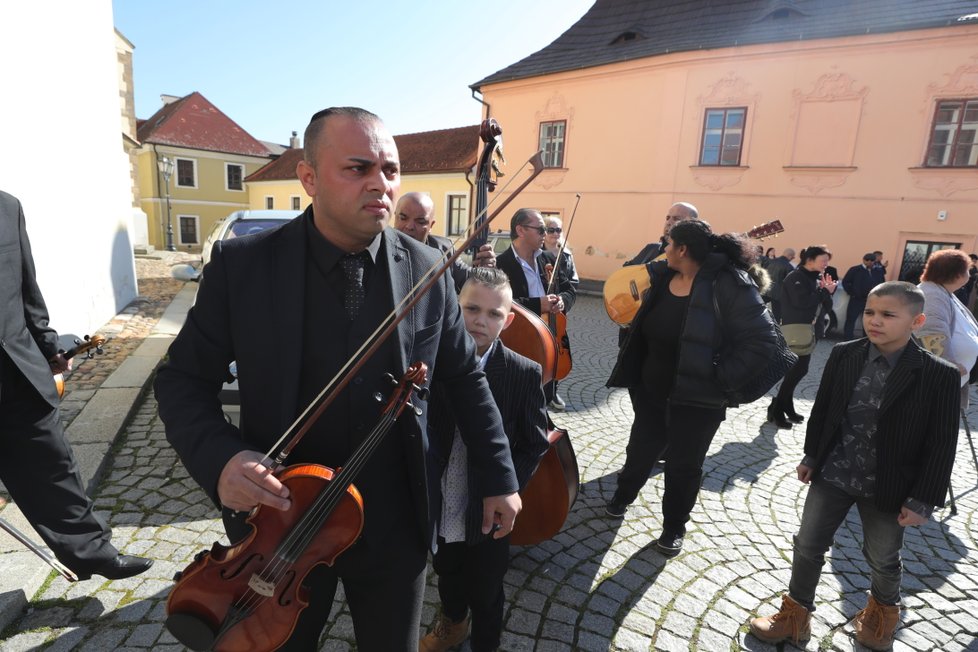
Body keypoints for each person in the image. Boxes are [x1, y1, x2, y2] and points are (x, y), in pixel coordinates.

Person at [153, 107, 521, 651]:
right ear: (308, 179)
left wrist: (500, 476)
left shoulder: (429, 268)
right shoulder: (243, 266)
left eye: (390, 170)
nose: (381, 183)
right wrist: (220, 459)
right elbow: (182, 380)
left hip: (396, 520)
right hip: (280, 523)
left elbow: (465, 377)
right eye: (358, 168)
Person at [749, 281, 959, 650]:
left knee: (882, 556)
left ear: (917, 321)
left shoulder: (937, 374)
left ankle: (881, 617)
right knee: (808, 544)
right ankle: (795, 615)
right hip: (834, 473)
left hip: (889, 485)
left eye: (888, 315)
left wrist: (923, 498)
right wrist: (812, 455)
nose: (874, 321)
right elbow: (825, 409)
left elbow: (942, 442)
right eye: (869, 312)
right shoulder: (846, 353)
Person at [0, 190, 153, 581]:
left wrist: (48, 347)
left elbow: (26, 291)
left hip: (17, 372)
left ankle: (93, 554)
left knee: (55, 466)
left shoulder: (7, 206)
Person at [604, 219, 776, 556]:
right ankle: (622, 497)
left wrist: (719, 378)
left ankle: (673, 529)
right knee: (640, 450)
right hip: (652, 390)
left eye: (669, 243)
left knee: (684, 465)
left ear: (682, 249)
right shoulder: (664, 276)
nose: (664, 248)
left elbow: (763, 342)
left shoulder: (729, 284)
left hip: (698, 401)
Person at [419, 267, 549, 652]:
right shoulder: (432, 363)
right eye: (472, 308)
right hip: (443, 495)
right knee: (446, 567)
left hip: (488, 504)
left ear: (508, 320)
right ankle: (453, 621)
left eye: (494, 314)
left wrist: (506, 487)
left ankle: (485, 643)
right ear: (454, 308)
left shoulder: (523, 372)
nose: (481, 320)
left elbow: (533, 443)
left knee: (488, 586)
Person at [496, 208, 576, 409]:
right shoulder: (501, 264)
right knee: (518, 400)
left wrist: (562, 301)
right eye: (541, 230)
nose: (546, 234)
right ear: (521, 230)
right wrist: (537, 304)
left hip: (552, 338)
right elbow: (501, 302)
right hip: (520, 343)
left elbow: (569, 290)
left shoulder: (548, 259)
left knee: (544, 398)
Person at [767, 245, 836, 429]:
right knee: (796, 371)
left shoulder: (815, 279)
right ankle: (777, 409)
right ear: (810, 260)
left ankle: (784, 407)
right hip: (797, 331)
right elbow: (802, 303)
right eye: (823, 261)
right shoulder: (796, 277)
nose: (826, 264)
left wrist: (828, 291)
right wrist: (823, 292)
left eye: (827, 261)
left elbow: (825, 306)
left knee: (798, 371)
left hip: (810, 331)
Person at [393, 191, 495, 292]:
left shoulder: (443, 249)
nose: (409, 226)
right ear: (395, 216)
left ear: (431, 226)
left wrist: (486, 270)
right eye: (403, 218)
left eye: (420, 222)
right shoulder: (380, 246)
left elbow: (469, 280)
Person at [916, 249, 978, 408]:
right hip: (936, 384)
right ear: (957, 275)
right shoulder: (931, 294)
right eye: (967, 271)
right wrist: (950, 367)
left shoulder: (941, 291)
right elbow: (930, 332)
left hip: (946, 383)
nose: (969, 275)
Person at [542, 214, 580, 411]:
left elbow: (573, 284)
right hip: (540, 310)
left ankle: (553, 389)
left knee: (558, 351)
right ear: (543, 232)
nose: (555, 234)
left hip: (559, 313)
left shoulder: (566, 254)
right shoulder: (536, 253)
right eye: (551, 230)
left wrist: (563, 302)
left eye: (558, 230)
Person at [623, 202, 698, 266]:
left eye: (677, 219)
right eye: (668, 218)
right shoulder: (651, 249)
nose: (668, 222)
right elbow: (624, 273)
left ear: (691, 223)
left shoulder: (693, 259)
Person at [842, 253, 881, 340]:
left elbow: (881, 284)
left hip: (871, 301)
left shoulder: (878, 271)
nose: (869, 262)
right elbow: (845, 282)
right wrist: (853, 293)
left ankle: (866, 341)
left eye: (872, 261)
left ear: (874, 262)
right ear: (863, 260)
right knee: (850, 320)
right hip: (856, 300)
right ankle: (847, 340)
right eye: (867, 260)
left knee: (869, 321)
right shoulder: (855, 269)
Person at [766, 247, 796, 322]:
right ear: (789, 256)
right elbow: (790, 284)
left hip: (767, 291)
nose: (792, 259)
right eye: (792, 257)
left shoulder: (771, 262)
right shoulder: (789, 267)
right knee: (777, 317)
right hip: (779, 294)